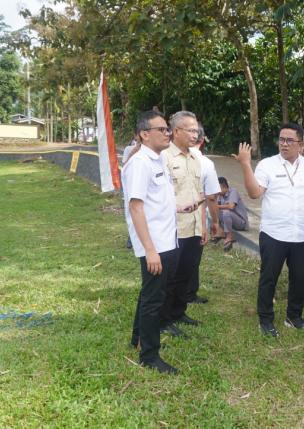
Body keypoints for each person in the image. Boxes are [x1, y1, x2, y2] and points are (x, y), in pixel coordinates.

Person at [234, 123, 304, 337]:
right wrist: (246, 165)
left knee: (299, 278)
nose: (284, 144)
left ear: (300, 145)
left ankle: (294, 317)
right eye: (281, 139)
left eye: (289, 140)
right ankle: (265, 320)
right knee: (269, 278)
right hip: (274, 234)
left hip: (302, 234)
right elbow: (255, 193)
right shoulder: (267, 165)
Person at [123, 111, 181, 374]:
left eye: (168, 129)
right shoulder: (140, 164)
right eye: (162, 129)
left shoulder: (158, 160)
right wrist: (149, 250)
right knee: (153, 300)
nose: (167, 133)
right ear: (145, 134)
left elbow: (158, 201)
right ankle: (149, 355)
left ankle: (138, 338)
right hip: (154, 245)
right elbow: (136, 207)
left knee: (151, 293)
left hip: (168, 241)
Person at [159, 111, 205, 337]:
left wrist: (204, 226)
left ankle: (178, 311)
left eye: (196, 130)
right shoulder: (164, 157)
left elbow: (200, 193)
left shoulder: (196, 157)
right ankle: (163, 319)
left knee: (187, 273)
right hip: (173, 228)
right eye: (191, 130)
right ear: (176, 131)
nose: (195, 134)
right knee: (170, 276)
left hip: (194, 227)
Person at [186, 123, 221, 304]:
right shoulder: (206, 163)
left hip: (172, 218)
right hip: (195, 219)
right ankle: (189, 294)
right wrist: (215, 222)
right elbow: (212, 198)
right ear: (202, 141)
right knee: (192, 257)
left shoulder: (165, 157)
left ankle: (179, 294)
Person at [216, 176, 249, 251]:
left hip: (241, 223)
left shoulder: (233, 191)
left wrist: (216, 206)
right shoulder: (220, 195)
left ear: (223, 187)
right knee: (215, 211)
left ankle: (229, 237)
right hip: (231, 219)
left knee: (225, 212)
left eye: (218, 188)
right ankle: (221, 232)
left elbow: (231, 206)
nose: (217, 191)